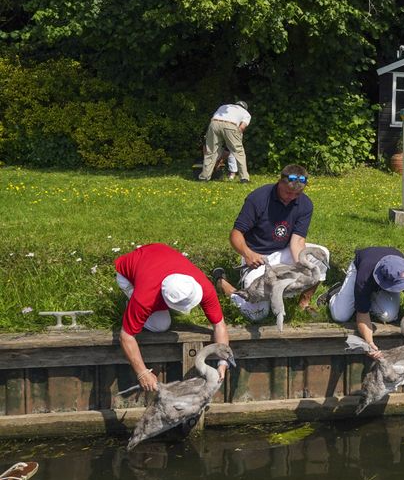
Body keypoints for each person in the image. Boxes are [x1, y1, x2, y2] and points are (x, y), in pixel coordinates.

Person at [212, 164, 329, 322]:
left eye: (297, 193)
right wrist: (248, 254)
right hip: (257, 257)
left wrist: (301, 266)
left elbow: (298, 240)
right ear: (280, 182)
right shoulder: (258, 198)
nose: (292, 197)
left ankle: (304, 303)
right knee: (258, 314)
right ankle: (225, 285)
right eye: (288, 192)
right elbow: (235, 234)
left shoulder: (305, 203)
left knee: (322, 255)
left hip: (284, 251)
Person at [114, 243, 229, 391]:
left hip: (156, 256)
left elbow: (220, 325)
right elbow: (126, 336)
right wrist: (142, 373)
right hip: (127, 273)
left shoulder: (203, 286)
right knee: (161, 325)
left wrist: (223, 363)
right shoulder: (144, 298)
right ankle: (128, 304)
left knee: (162, 321)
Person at [323, 247, 404, 358]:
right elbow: (362, 315)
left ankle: (365, 298)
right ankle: (335, 293)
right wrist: (369, 343)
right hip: (361, 269)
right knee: (340, 315)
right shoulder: (364, 278)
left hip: (380, 277)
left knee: (389, 316)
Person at [199, 100, 251, 183]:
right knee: (239, 152)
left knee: (211, 151)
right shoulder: (246, 113)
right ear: (245, 108)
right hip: (230, 125)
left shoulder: (224, 106)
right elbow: (242, 127)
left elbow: (214, 117)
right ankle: (244, 178)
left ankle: (204, 177)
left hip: (214, 124)